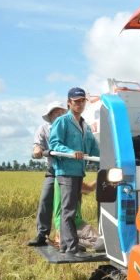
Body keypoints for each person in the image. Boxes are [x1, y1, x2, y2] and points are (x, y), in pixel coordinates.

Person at [49, 87, 100, 259]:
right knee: (68, 210)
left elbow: (93, 148)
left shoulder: (85, 126)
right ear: (69, 103)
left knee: (70, 209)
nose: (79, 104)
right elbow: (54, 144)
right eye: (76, 101)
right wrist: (71, 152)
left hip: (79, 171)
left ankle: (65, 246)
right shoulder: (62, 121)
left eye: (82, 101)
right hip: (66, 171)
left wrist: (108, 161)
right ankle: (72, 248)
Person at [26, 101, 67, 247]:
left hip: (69, 170)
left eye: (63, 111)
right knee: (45, 200)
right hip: (53, 170)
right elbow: (38, 144)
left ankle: (68, 237)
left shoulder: (70, 127)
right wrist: (37, 149)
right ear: (50, 115)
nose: (60, 114)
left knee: (69, 204)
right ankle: (42, 234)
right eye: (57, 112)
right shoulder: (43, 129)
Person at [50, 179, 104, 252]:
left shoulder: (59, 179)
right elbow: (89, 189)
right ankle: (65, 241)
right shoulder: (70, 180)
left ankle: (64, 238)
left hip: (61, 221)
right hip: (73, 221)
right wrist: (104, 176)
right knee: (101, 242)